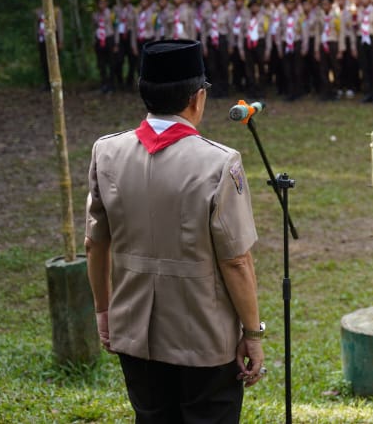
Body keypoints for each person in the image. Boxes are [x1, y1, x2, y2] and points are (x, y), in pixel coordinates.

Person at [85, 39, 265, 423]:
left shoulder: (106, 152)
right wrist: (253, 332)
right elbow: (236, 261)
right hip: (204, 336)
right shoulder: (218, 162)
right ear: (197, 98)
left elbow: (94, 243)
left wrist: (104, 311)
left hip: (134, 330)